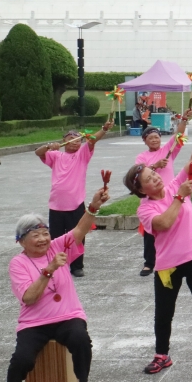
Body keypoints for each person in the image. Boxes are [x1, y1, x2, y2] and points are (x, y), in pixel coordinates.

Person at [0, 188, 110, 382]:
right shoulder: (18, 264)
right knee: (22, 358)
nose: (43, 239)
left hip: (67, 315)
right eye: (36, 235)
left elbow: (80, 229)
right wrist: (49, 270)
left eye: (45, 233)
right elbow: (29, 298)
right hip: (34, 321)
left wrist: (93, 206)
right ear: (21, 241)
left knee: (80, 338)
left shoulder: (57, 246)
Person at [126, 117, 192, 375]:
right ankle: (162, 355)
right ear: (140, 188)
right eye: (149, 178)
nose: (156, 179)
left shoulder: (172, 186)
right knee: (164, 312)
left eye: (155, 174)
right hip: (168, 265)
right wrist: (180, 196)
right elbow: (164, 223)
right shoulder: (145, 208)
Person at [35, 119, 114, 277]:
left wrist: (104, 128)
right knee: (56, 238)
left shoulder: (82, 154)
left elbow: (93, 139)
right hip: (56, 204)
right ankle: (57, 264)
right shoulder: (56, 155)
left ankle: (77, 265)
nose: (74, 142)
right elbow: (38, 152)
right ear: (64, 141)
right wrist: (49, 146)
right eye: (70, 139)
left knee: (77, 236)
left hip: (76, 203)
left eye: (78, 140)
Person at [134, 110, 192, 277]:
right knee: (150, 233)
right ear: (144, 141)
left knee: (173, 227)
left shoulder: (168, 150)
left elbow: (178, 135)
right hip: (151, 198)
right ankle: (149, 262)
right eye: (150, 138)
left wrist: (184, 119)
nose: (154, 140)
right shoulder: (142, 156)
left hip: (170, 195)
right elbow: (139, 174)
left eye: (156, 137)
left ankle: (177, 257)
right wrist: (155, 165)